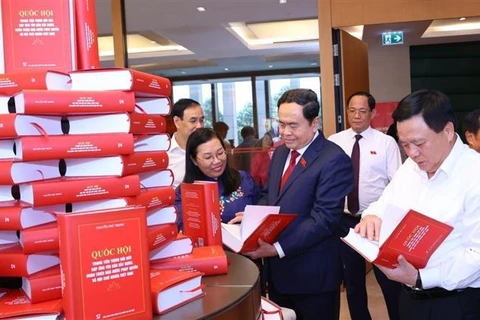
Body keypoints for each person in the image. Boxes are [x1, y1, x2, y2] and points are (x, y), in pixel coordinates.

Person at [355, 89, 480, 320]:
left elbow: (477, 255)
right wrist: (371, 216)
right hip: (410, 299)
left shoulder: (474, 174)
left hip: (456, 304)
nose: (412, 153)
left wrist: (422, 277)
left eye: (419, 143)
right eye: (405, 144)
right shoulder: (411, 168)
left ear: (448, 131)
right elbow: (384, 203)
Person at [244, 89, 353, 320]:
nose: (285, 132)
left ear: (315, 123)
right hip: (278, 275)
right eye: (281, 124)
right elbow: (269, 196)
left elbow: (324, 220)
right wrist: (251, 218)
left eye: (293, 125)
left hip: (313, 278)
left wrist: (277, 248)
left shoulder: (334, 159)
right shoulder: (282, 152)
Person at [328, 91, 402, 320]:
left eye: (362, 111)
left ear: (373, 113)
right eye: (352, 110)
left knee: (388, 280)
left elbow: (397, 183)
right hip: (345, 222)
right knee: (353, 283)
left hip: (377, 223)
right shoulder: (334, 141)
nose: (357, 116)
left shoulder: (386, 143)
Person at [174, 128, 259, 231]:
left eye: (220, 153)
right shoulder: (183, 193)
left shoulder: (244, 179)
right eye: (208, 157)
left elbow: (262, 211)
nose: (217, 161)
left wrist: (252, 218)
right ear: (194, 160)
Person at [167, 98, 205, 189]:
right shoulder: (164, 155)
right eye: (193, 121)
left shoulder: (208, 148)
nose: (199, 126)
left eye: (201, 120)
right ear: (177, 122)